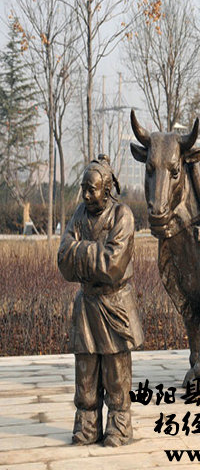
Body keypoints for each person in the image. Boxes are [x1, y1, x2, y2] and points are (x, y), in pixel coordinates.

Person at [58, 154, 144, 446]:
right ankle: (87, 426)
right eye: (83, 188)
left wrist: (80, 251)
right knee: (85, 372)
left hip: (114, 304)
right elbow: (63, 259)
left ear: (107, 190)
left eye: (91, 189)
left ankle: (119, 427)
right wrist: (96, 251)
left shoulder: (122, 216)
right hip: (86, 305)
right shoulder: (79, 214)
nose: (84, 195)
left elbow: (114, 266)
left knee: (116, 374)